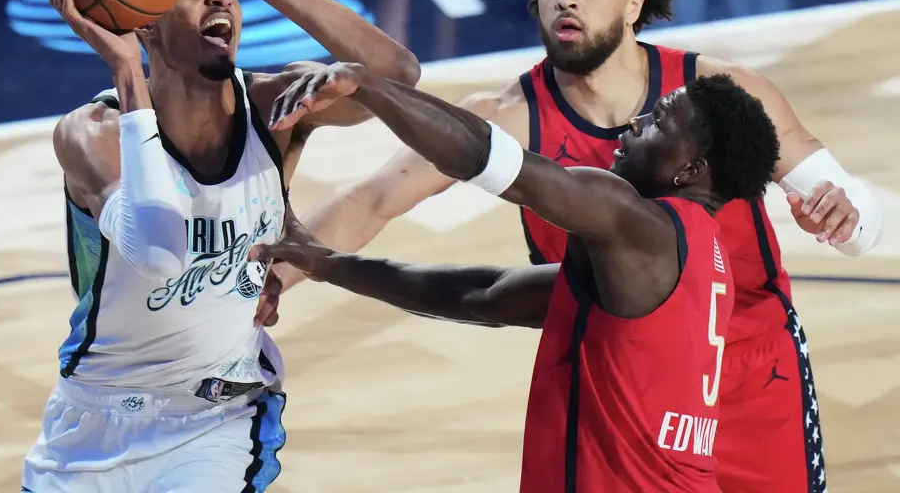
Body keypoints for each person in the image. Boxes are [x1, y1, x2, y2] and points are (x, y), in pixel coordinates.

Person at [269, 0, 883, 492]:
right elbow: (395, 221)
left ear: (635, 3)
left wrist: (845, 215)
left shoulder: (717, 102)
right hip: (614, 382)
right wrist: (275, 279)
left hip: (753, 376)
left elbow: (860, 222)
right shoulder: (516, 114)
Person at [21, 0, 421, 493]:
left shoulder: (275, 104)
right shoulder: (92, 134)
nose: (222, 2)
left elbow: (401, 77)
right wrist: (128, 73)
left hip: (219, 414)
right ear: (143, 18)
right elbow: (159, 248)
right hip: (92, 415)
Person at [255, 64, 780, 491]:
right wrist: (326, 262)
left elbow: (492, 160)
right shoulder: (691, 257)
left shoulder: (639, 226)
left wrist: (369, 87)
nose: (635, 123)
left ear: (690, 171)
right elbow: (483, 296)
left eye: (660, 121)